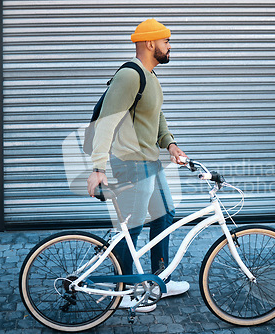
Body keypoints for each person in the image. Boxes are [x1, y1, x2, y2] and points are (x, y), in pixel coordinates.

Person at [87, 18, 190, 312]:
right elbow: (106, 122)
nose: (170, 46)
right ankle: (120, 289)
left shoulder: (151, 76)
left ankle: (158, 280)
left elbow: (155, 117)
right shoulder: (130, 76)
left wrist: (169, 144)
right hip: (129, 163)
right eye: (166, 41)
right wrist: (98, 168)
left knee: (165, 215)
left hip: (149, 161)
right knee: (132, 227)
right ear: (149, 43)